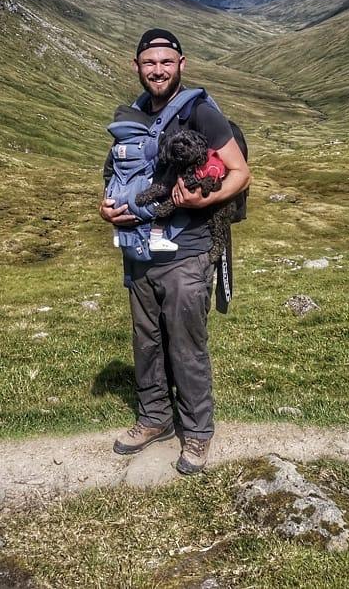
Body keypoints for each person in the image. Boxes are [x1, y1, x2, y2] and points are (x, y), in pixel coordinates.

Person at [99, 28, 251, 474]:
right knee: (147, 341)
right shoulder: (131, 115)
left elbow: (240, 173)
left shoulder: (201, 113)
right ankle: (155, 419)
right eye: (150, 63)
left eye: (166, 62)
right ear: (137, 67)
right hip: (140, 251)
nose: (158, 70)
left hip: (189, 250)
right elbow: (115, 173)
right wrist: (106, 209)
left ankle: (198, 433)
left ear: (181, 65)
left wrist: (205, 198)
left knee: (186, 344)